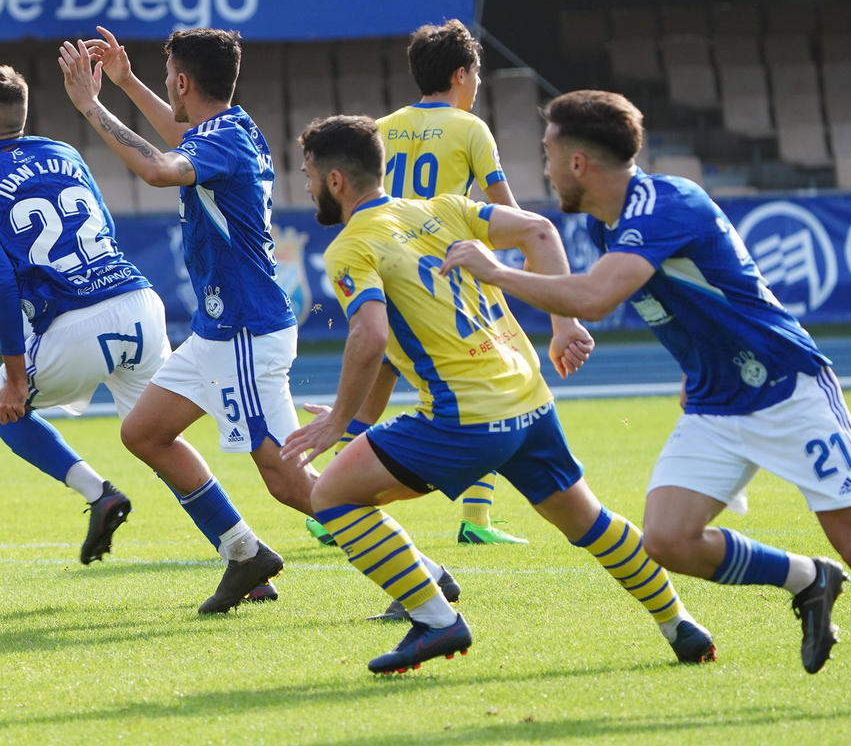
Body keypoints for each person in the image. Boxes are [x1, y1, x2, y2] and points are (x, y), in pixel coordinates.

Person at [441, 89, 851, 674]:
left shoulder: (666, 205)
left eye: (549, 154)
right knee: (668, 540)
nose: (544, 169)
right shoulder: (608, 224)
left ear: (578, 163)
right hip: (714, 405)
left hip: (786, 389)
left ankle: (831, 570)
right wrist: (694, 369)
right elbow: (683, 303)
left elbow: (597, 297)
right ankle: (809, 579)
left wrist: (495, 272)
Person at [281, 114, 717, 674]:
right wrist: (564, 325)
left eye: (310, 175)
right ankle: (679, 623)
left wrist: (339, 421)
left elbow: (370, 337)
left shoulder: (351, 247)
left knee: (332, 497)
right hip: (527, 396)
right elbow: (540, 232)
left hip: (464, 416)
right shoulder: (443, 208)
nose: (308, 186)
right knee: (588, 521)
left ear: (336, 180)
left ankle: (436, 618)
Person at [57, 27, 297, 612]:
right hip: (218, 332)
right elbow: (179, 140)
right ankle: (243, 552)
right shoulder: (231, 129)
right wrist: (127, 82)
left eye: (168, 78)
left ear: (184, 82)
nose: (167, 86)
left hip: (244, 330)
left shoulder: (223, 140)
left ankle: (422, 576)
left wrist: (91, 106)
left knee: (287, 480)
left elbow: (161, 169)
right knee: (143, 432)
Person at [304, 20, 528, 550]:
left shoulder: (381, 127)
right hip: (442, 276)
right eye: (477, 74)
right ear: (461, 74)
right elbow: (507, 210)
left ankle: (329, 508)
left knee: (370, 401)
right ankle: (476, 518)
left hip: (385, 269)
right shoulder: (470, 128)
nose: (478, 84)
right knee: (488, 383)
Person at [0, 65, 155, 564]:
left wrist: (17, 377)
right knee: (161, 440)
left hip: (71, 320)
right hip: (137, 301)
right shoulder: (65, 153)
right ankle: (241, 548)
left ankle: (98, 493)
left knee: (0, 406)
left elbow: (0, 281)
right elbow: (101, 228)